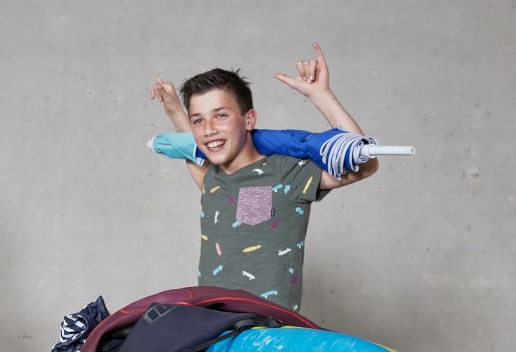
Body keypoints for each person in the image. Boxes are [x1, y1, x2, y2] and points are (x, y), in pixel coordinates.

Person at [149, 44, 377, 313]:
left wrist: (321, 96)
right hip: (210, 329)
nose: (209, 129)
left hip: (268, 332)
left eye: (221, 115)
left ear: (249, 120)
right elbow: (191, 147)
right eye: (199, 120)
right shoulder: (212, 181)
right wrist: (176, 110)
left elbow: (365, 164)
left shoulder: (286, 173)